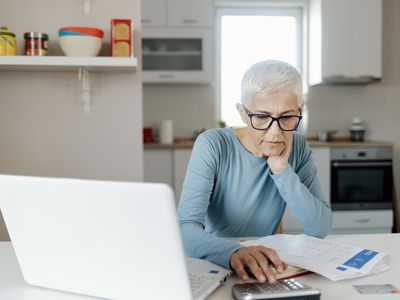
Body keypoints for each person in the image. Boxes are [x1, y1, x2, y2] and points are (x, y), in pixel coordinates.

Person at [177, 60, 332, 284]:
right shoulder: (212, 144)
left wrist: (281, 170)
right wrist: (234, 252)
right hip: (215, 262)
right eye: (261, 117)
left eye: (287, 117)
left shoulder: (297, 145)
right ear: (242, 113)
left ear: (299, 111)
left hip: (265, 267)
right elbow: (185, 230)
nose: (275, 132)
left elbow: (319, 228)